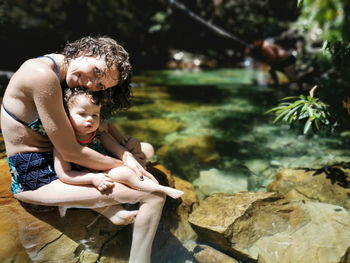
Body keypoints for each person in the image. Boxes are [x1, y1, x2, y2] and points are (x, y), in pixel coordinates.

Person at [1, 36, 166, 263]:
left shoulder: (67, 73)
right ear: (86, 50)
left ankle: (107, 209)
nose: (89, 85)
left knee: (145, 149)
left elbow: (98, 128)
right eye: (96, 72)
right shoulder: (41, 75)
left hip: (67, 162)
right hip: (38, 178)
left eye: (100, 86)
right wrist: (127, 164)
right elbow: (70, 152)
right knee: (154, 194)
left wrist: (126, 153)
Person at [55, 87, 184, 205]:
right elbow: (65, 174)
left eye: (95, 115)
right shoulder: (64, 143)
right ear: (66, 115)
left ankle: (148, 176)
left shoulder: (100, 135)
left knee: (138, 147)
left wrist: (126, 150)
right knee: (126, 174)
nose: (90, 119)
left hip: (109, 167)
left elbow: (120, 152)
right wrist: (92, 178)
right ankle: (160, 188)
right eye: (83, 114)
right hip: (93, 174)